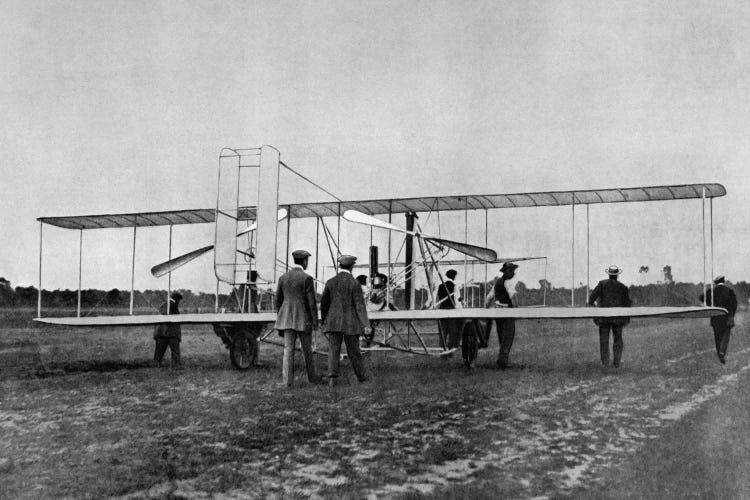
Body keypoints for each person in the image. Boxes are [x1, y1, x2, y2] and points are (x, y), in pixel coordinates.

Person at [321, 254, 370, 386]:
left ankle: (332, 378)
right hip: (351, 323)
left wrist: (323, 321)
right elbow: (360, 306)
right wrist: (366, 324)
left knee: (333, 350)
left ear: (340, 266)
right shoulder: (354, 283)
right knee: (354, 351)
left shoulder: (330, 282)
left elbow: (324, 304)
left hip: (333, 322)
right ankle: (361, 377)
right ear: (352, 266)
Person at [275, 250, 321, 387]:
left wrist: (281, 317)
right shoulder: (307, 278)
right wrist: (315, 322)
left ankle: (287, 381)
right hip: (303, 319)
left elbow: (278, 301)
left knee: (288, 349)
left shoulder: (283, 278)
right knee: (307, 350)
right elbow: (312, 303)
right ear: (305, 261)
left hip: (287, 319)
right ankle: (312, 378)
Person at [588, 265, 631, 368]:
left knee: (604, 340)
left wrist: (596, 310)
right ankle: (616, 363)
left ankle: (605, 363)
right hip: (618, 319)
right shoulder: (623, 287)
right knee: (618, 340)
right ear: (617, 275)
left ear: (609, 274)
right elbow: (627, 304)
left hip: (603, 319)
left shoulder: (602, 284)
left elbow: (591, 300)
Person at [484, 262, 518, 369]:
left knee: (501, 335)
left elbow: (488, 298)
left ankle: (502, 359)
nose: (513, 273)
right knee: (508, 336)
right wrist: (516, 309)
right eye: (511, 270)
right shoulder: (508, 282)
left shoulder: (497, 282)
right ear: (506, 272)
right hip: (507, 312)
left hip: (498, 313)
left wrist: (485, 310)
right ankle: (503, 361)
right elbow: (513, 298)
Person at [699, 276, 738, 364]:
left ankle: (719, 354)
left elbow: (702, 297)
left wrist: (710, 304)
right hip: (727, 317)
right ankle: (722, 352)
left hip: (716, 317)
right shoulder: (729, 291)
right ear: (723, 281)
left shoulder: (712, 291)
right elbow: (734, 304)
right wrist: (731, 314)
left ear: (716, 282)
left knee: (717, 337)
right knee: (726, 336)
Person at [153, 291, 183, 368]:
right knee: (175, 350)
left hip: (161, 331)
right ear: (177, 299)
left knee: (159, 351)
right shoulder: (173, 305)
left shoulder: (164, 304)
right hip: (171, 332)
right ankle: (176, 365)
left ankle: (156, 364)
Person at [436, 269, 461, 349]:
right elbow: (456, 300)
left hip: (442, 310)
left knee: (443, 332)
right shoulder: (454, 286)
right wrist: (459, 309)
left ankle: (442, 350)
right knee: (452, 331)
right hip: (451, 310)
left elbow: (437, 298)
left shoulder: (440, 286)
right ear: (454, 276)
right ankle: (450, 349)